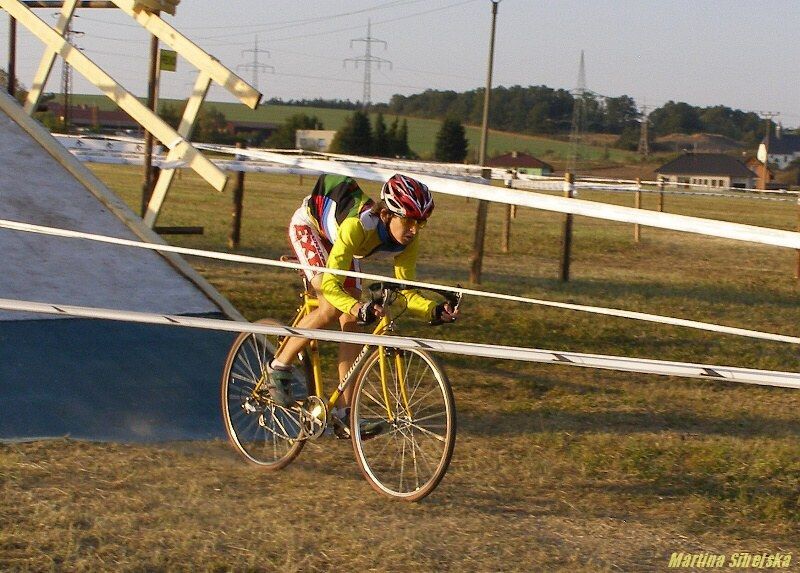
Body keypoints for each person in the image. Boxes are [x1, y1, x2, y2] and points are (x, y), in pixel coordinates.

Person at [268, 172, 459, 437]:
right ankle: (278, 366)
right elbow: (332, 287)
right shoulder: (358, 226)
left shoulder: (409, 241)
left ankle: (344, 414)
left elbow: (406, 291)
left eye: (420, 223)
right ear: (387, 214)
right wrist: (358, 306)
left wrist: (433, 309)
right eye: (408, 221)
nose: (414, 230)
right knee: (331, 308)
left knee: (352, 321)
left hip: (342, 244)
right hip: (310, 228)